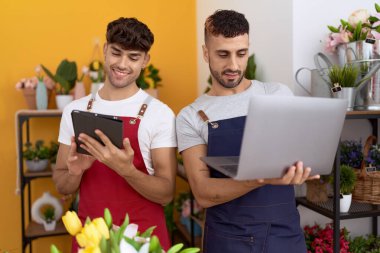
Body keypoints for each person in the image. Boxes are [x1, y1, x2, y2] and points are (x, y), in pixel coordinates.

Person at [176, 10, 319, 253]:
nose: (233, 65)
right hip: (227, 239)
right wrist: (259, 180)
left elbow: (297, 153)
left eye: (241, 53)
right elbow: (202, 193)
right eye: (223, 54)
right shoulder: (191, 116)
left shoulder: (277, 95)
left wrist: (304, 167)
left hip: (284, 234)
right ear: (205, 52)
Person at [53, 17, 177, 251]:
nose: (122, 64)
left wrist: (126, 170)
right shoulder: (74, 110)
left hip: (143, 238)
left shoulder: (159, 114)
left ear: (145, 61)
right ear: (106, 51)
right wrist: (74, 173)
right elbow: (62, 186)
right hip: (91, 238)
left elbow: (166, 193)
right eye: (117, 53)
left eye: (133, 57)